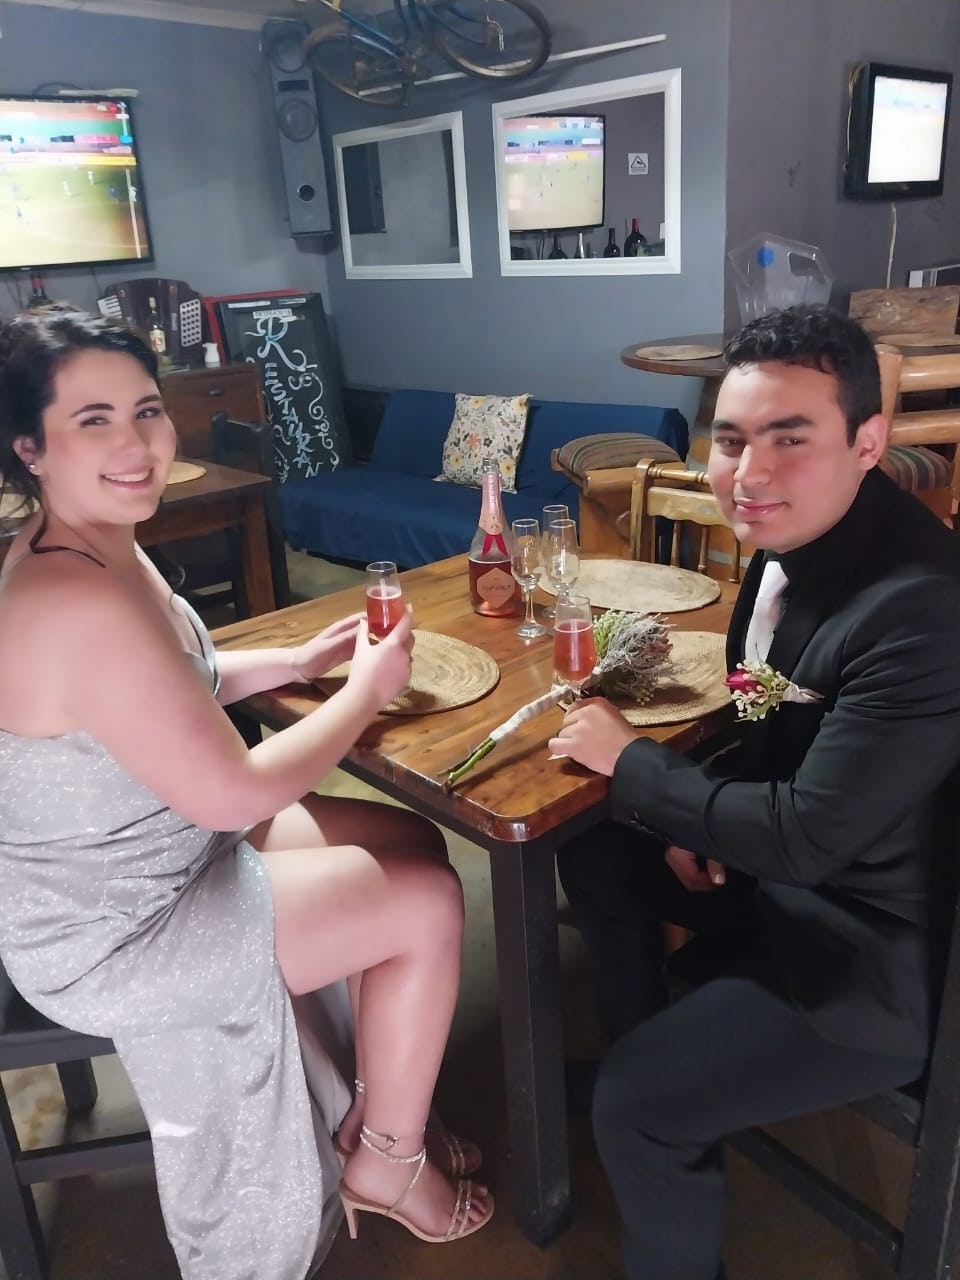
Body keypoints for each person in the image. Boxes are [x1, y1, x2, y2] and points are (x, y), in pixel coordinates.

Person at [0, 311, 492, 1280]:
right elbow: (234, 794)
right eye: (94, 420)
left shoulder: (94, 541)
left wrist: (297, 660)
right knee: (428, 901)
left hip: (161, 851)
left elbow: (173, 683)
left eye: (147, 409)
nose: (137, 443)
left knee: (410, 843)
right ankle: (386, 1161)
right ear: (30, 448)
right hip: (114, 925)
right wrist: (361, 694)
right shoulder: (68, 596)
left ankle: (375, 1104)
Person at [551, 305, 960, 1280]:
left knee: (637, 1105)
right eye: (732, 439)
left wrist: (639, 767)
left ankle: (647, 1100)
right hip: (791, 878)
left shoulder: (922, 609)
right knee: (598, 848)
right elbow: (771, 703)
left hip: (876, 959)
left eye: (790, 437)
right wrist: (698, 804)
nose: (749, 471)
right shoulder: (795, 542)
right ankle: (654, 1051)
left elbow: (808, 836)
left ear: (868, 442)